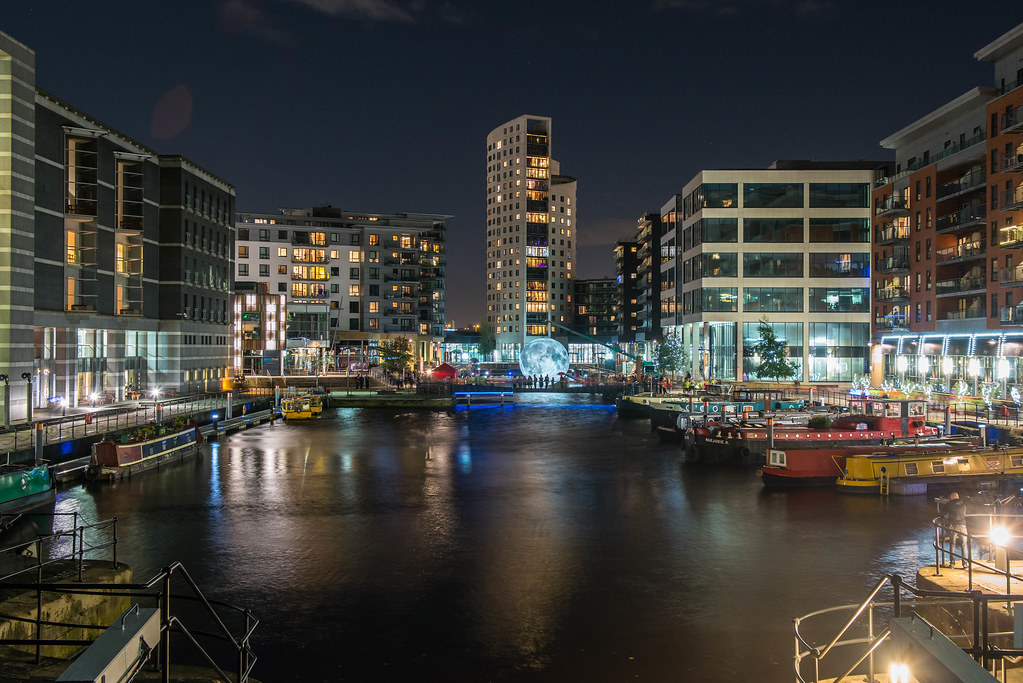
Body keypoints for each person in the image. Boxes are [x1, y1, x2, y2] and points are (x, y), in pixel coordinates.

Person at [939, 492, 969, 569]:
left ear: (951, 497)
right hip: (963, 525)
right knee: (964, 545)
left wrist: (945, 519)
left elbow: (942, 513)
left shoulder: (949, 503)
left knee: (952, 544)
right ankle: (965, 564)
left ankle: (952, 564)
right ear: (958, 497)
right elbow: (964, 513)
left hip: (953, 525)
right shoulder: (963, 503)